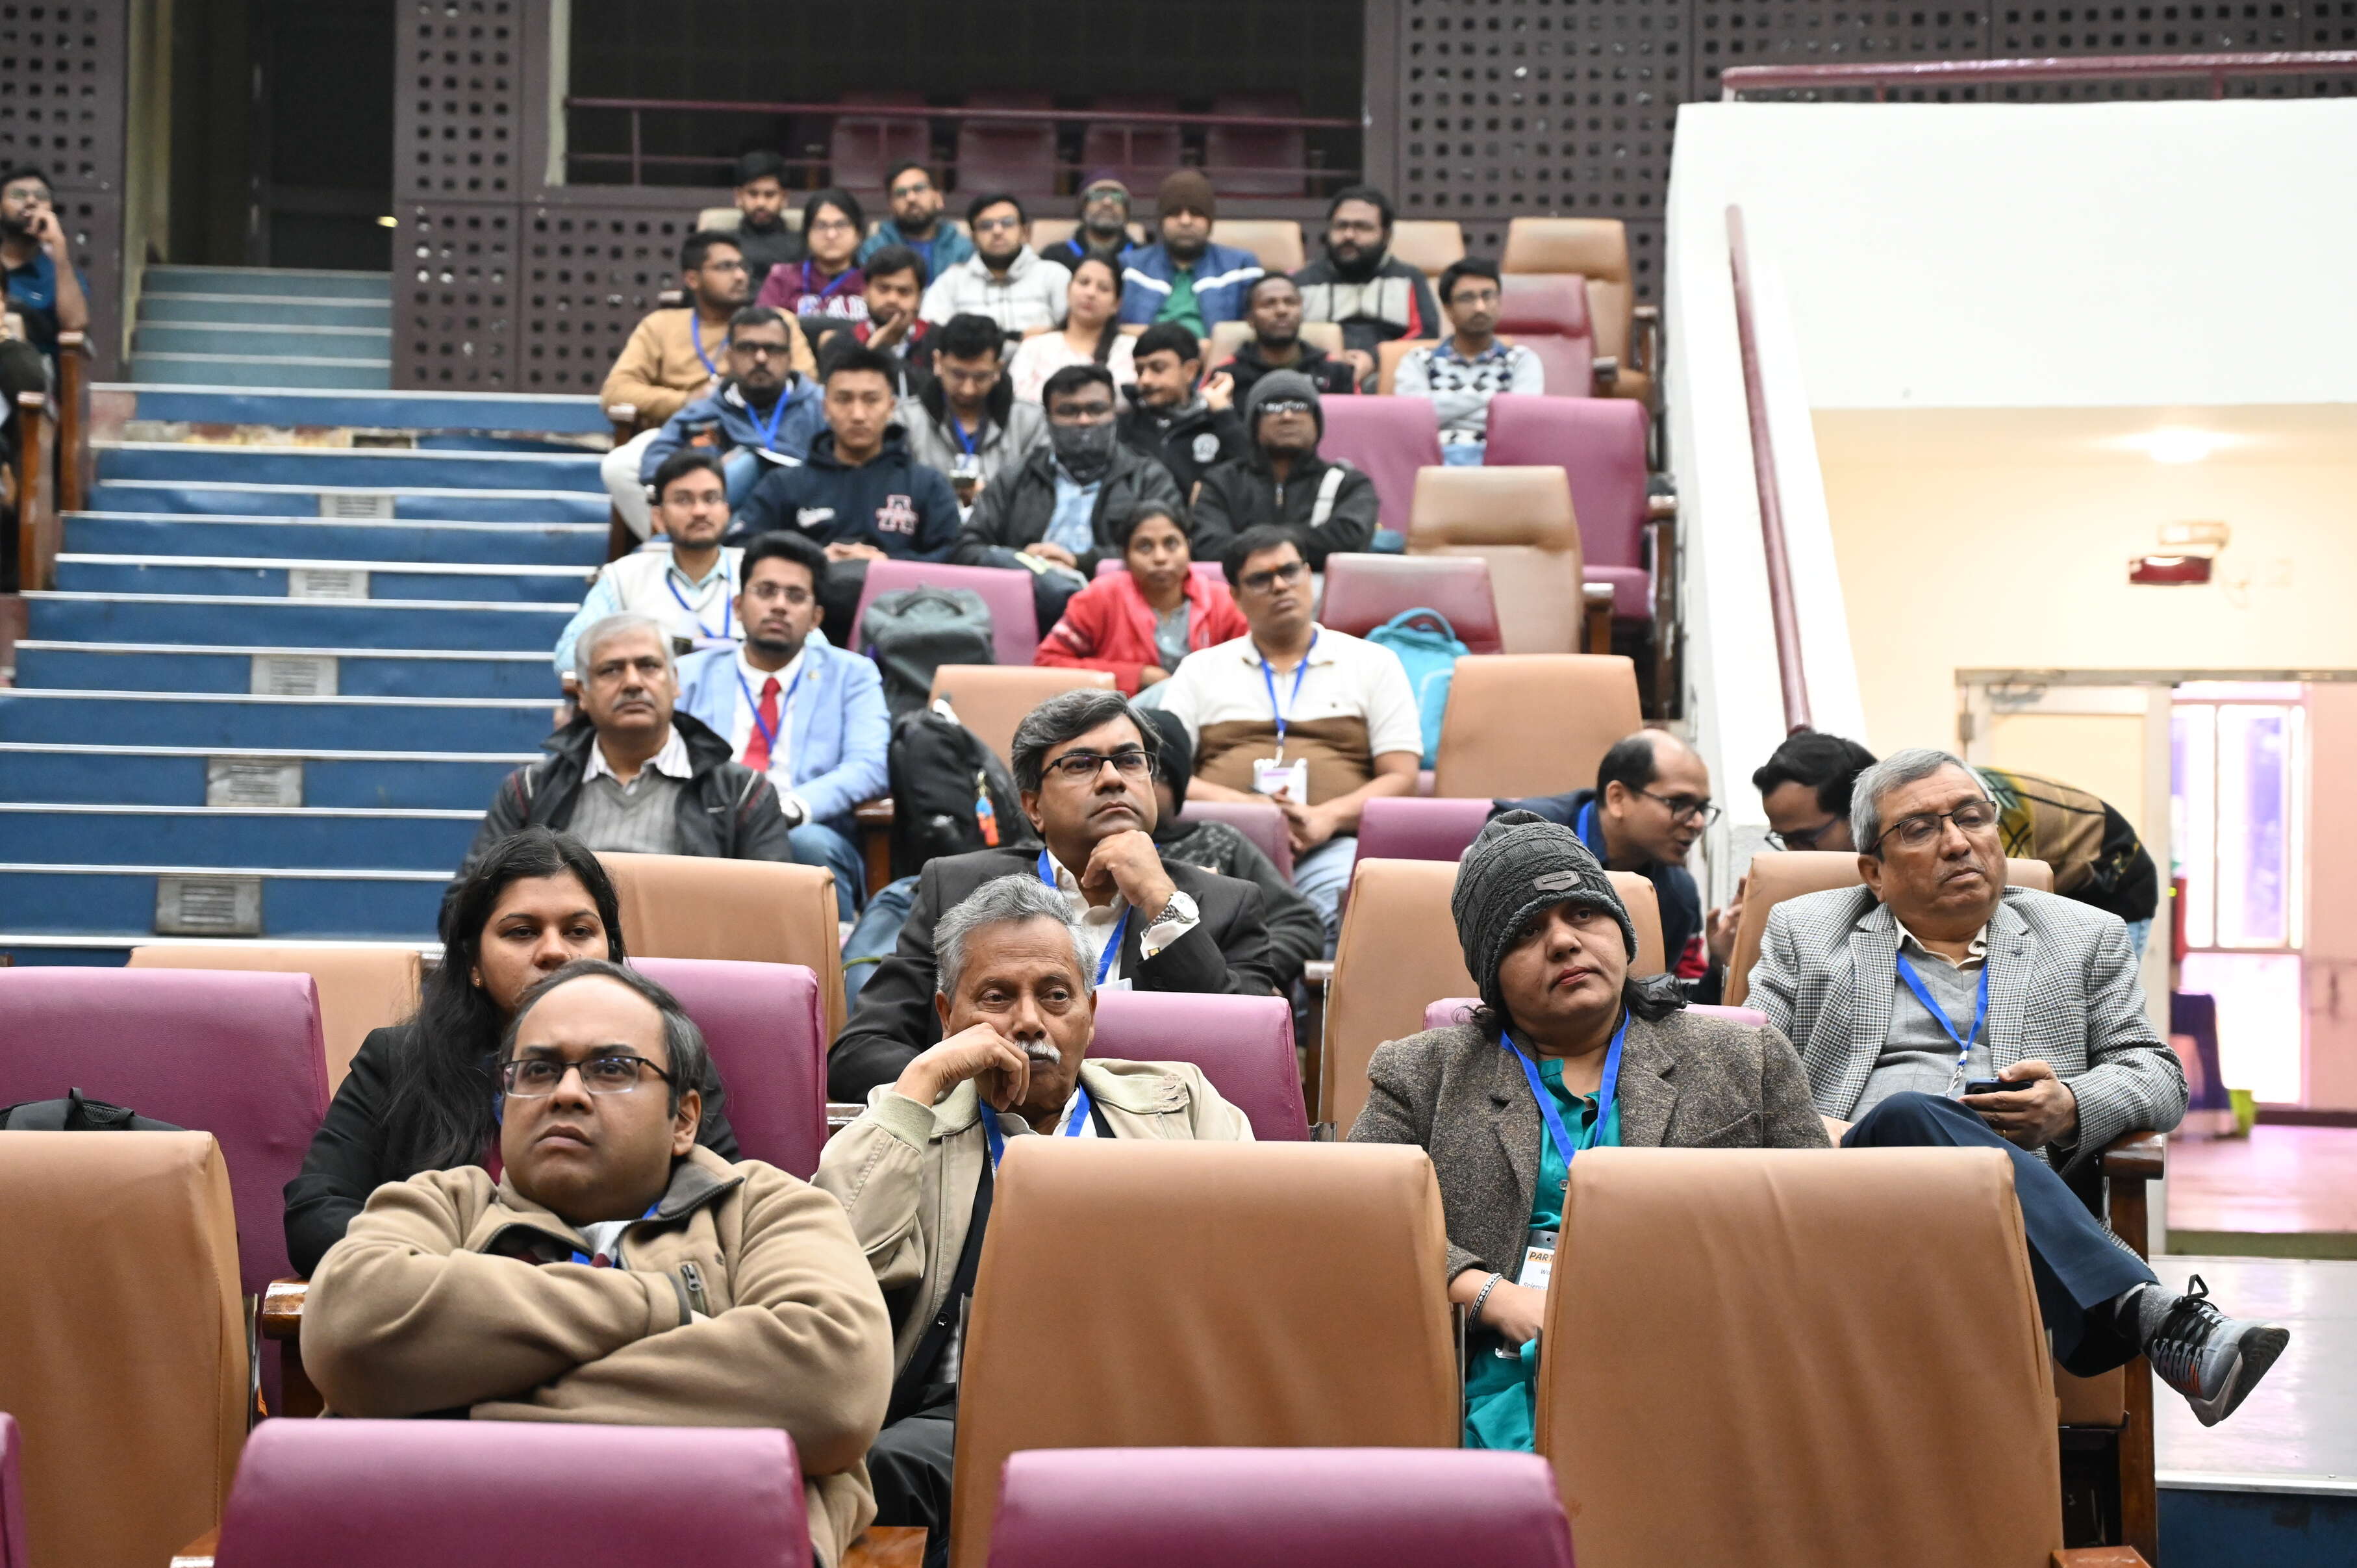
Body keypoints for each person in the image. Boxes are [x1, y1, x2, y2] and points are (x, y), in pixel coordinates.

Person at [1747, 748, 2287, 1428]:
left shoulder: (2081, 935)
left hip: (2000, 1209)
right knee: (1908, 1114)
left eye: (1971, 817)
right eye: (1918, 829)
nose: (1956, 842)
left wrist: (2069, 1106)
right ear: (1873, 873)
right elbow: (1745, 1070)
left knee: (1924, 1126)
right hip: (1843, 1192)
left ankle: (2127, 1307)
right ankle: (2145, 1312)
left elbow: (2156, 1074)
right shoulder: (1805, 931)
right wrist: (1810, 1127)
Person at [305, 959, 891, 1567]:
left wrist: (462, 1417)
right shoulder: (442, 1204)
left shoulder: (766, 1210)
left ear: (684, 1119)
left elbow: (831, 1389)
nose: (565, 1093)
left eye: (611, 1069)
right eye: (537, 1070)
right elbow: (348, 1329)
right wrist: (665, 1304)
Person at [1348, 813, 1830, 1450]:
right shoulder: (1420, 1073)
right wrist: (1489, 1295)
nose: (1562, 943)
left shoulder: (1746, 1058)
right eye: (1525, 931)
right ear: (1491, 972)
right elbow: (1357, 1224)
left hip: (1700, 1369)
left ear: (1620, 932)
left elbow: (1818, 1233)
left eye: (1582, 914)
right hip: (1495, 1375)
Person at [816, 876, 1252, 1564]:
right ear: (946, 1015)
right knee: (887, 1471)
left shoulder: (1180, 1101)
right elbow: (832, 1273)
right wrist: (919, 1085)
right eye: (995, 997)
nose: (1027, 1022)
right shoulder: (904, 1121)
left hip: (1148, 1396)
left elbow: (1254, 1264)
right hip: (959, 1414)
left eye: (1055, 995)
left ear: (1091, 1012)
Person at [283, 828, 739, 1276]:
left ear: (611, 952)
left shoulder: (665, 1060)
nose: (554, 952)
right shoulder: (399, 1061)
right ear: (474, 963)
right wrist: (473, 1281)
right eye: (522, 932)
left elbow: (729, 1211)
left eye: (579, 931)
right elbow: (316, 1214)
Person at [827, 687, 1278, 1100]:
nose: (1112, 779)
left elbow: (1252, 1063)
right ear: (1033, 807)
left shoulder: (1227, 904)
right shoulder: (958, 888)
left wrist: (1163, 905)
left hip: (1154, 1146)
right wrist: (975, 1090)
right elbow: (860, 1053)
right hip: (991, 1137)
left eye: (1129, 760)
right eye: (1081, 764)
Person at [1155, 526, 1420, 947]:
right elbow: (1162, 777)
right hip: (1222, 844)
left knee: (1348, 910)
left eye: (1290, 571)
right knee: (1187, 923)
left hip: (1331, 844)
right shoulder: (1200, 669)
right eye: (1261, 579)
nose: (1280, 585)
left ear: (1308, 576)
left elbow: (1402, 777)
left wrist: (1327, 817)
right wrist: (1250, 810)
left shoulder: (1373, 663)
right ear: (1236, 596)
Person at [1750, 730, 2162, 955]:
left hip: (2112, 879)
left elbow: (1998, 905)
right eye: (1784, 840)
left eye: (1805, 839)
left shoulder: (1975, 820)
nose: (1795, 855)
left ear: (1854, 815)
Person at [464, 614, 790, 876]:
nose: (633, 682)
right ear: (583, 693)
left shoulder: (742, 792)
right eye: (611, 670)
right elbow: (465, 907)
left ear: (675, 681)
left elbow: (774, 909)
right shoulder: (529, 791)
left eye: (649, 666)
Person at [676, 532, 888, 919]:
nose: (779, 605)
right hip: (705, 817)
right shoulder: (688, 674)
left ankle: (830, 955)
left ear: (816, 618)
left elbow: (869, 766)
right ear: (738, 606)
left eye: (795, 596)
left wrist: (790, 808)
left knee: (809, 845)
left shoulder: (852, 675)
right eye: (766, 591)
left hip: (801, 824)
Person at [730, 346, 963, 647]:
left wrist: (887, 565)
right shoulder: (784, 484)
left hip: (907, 630)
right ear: (825, 407)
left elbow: (953, 559)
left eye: (871, 400)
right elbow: (741, 550)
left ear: (891, 406)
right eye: (844, 400)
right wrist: (813, 561)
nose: (857, 414)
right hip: (802, 633)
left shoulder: (927, 484)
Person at [601, 230, 816, 539]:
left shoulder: (775, 321)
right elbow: (616, 392)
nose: (740, 276)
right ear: (693, 279)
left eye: (743, 267)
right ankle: (677, 545)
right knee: (620, 466)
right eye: (726, 267)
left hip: (770, 426)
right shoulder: (661, 325)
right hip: (689, 435)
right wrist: (685, 400)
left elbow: (806, 380)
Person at [952, 362, 1185, 632]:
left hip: (1121, 613)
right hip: (1027, 609)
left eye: (1096, 410)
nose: (1084, 421)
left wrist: (1080, 562)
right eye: (1069, 411)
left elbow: (1169, 552)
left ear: (1114, 414)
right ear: (1048, 419)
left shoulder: (1148, 478)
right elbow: (967, 547)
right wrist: (1023, 562)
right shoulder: (1016, 476)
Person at [1496, 729, 1728, 994]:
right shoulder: (1520, 835)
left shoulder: (1680, 895)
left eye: (1702, 808)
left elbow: (1675, 1004)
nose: (1697, 822)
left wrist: (1718, 966)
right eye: (1679, 803)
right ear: (1618, 798)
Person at [1138, 707, 1326, 996]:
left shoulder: (1218, 841)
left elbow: (1299, 924)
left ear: (1175, 783)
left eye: (1142, 769)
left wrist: (1243, 969)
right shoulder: (1073, 850)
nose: (1120, 783)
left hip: (1207, 998)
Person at [553, 451, 742, 678]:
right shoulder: (625, 576)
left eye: (710, 498)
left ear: (727, 510)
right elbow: (568, 659)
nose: (700, 511)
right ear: (659, 518)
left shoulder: (757, 572)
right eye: (683, 500)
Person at [1034, 503, 1248, 694]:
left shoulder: (1223, 601)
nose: (1160, 557)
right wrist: (1136, 676)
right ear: (1126, 556)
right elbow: (1048, 662)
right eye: (1144, 546)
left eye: (1171, 543)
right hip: (1124, 715)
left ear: (1188, 548)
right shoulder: (1101, 598)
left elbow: (1254, 662)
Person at [637, 306, 826, 509]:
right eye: (748, 348)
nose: (761, 358)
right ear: (729, 356)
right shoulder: (704, 411)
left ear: (789, 358)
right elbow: (654, 462)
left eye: (772, 349)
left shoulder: (822, 406)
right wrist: (710, 472)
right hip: (726, 514)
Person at [1189, 372, 1378, 570]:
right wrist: (1304, 543)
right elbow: (1208, 547)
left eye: (1299, 406)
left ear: (1316, 422)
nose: (1287, 416)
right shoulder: (1221, 482)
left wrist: (1254, 544)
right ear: (1254, 423)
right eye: (1274, 407)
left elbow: (1350, 541)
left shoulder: (1349, 483)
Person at [1293, 184, 1443, 388]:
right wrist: (1332, 359)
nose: (1349, 235)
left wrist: (1375, 358)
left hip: (1391, 376)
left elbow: (1425, 335)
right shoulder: (1302, 282)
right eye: (1341, 226)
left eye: (1362, 227)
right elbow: (1290, 337)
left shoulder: (1408, 279)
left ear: (1386, 235)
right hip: (1320, 375)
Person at [894, 312, 1046, 509]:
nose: (968, 389)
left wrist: (992, 500)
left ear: (998, 369)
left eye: (981, 377)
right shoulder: (905, 420)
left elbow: (1038, 495)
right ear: (937, 362)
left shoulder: (1031, 421)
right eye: (958, 375)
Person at [1396, 258, 1541, 460]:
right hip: (1434, 462)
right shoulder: (1419, 359)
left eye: (1488, 296)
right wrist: (1494, 402)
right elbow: (1413, 418)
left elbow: (1520, 419)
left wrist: (1442, 407)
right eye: (1467, 298)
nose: (1480, 307)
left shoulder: (1522, 359)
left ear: (1499, 301)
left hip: (1502, 462)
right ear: (1448, 309)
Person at [1116, 169, 1261, 336]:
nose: (1185, 221)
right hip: (1141, 352)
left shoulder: (1241, 266)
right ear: (1161, 222)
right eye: (1174, 213)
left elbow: (1255, 330)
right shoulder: (1129, 266)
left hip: (1217, 353)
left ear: (1210, 222)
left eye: (1196, 213)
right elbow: (1106, 327)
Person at [1116, 322, 1247, 501]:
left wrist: (1224, 412)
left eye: (1158, 368)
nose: (1145, 380)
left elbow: (1251, 474)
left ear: (1190, 370)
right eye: (1140, 370)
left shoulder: (1217, 422)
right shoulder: (1124, 425)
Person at [920, 194, 1069, 338]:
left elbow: (1075, 331)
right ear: (973, 237)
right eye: (986, 226)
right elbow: (930, 333)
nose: (997, 231)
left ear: (1025, 232)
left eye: (1008, 223)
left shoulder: (1054, 275)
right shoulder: (952, 281)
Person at [1005, 253, 1137, 405]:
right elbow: (1016, 399)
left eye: (1103, 288)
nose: (1091, 293)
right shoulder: (1034, 347)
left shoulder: (1130, 349)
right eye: (1083, 282)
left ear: (1117, 304)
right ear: (1068, 290)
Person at [807, 246, 937, 398]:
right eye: (883, 289)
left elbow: (936, 397)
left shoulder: (938, 340)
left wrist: (882, 353)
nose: (892, 299)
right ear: (865, 292)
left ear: (919, 299)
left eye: (904, 292)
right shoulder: (839, 346)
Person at [1217, 273, 1356, 399]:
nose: (1282, 310)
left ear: (1302, 312)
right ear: (1250, 319)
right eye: (1269, 304)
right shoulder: (1226, 376)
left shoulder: (1336, 372)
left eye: (1290, 302)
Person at [0, 166, 85, 358]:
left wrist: (59, 247)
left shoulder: (59, 272)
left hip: (36, 369)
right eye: (18, 195)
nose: (31, 201)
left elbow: (75, 325)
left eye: (41, 196)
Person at [757, 188, 869, 326]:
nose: (831, 235)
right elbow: (762, 327)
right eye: (821, 226)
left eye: (841, 225)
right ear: (807, 233)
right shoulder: (782, 278)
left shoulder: (872, 283)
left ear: (859, 233)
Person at [853, 162, 975, 285]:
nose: (911, 198)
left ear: (938, 198)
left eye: (919, 189)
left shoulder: (962, 249)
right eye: (901, 193)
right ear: (891, 206)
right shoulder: (874, 249)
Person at [727, 149, 805, 290]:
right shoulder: (723, 245)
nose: (761, 203)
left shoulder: (803, 246)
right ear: (738, 197)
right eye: (753, 194)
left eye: (769, 195)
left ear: (784, 198)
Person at [1039, 173, 1135, 271]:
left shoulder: (1141, 260)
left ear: (1126, 210)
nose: (1107, 202)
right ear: (1083, 206)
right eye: (1098, 195)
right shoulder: (1054, 258)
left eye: (1117, 196)